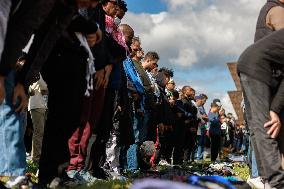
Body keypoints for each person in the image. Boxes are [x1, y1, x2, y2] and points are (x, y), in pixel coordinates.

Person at [237, 28, 284, 188]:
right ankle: (276, 183)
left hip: (256, 65)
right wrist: (275, 110)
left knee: (261, 127)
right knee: (266, 125)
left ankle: (266, 179)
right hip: (256, 66)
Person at [28, 74, 48, 164]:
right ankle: (36, 158)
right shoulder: (38, 72)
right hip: (37, 105)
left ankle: (37, 157)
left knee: (40, 133)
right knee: (39, 132)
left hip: (40, 105)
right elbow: (44, 86)